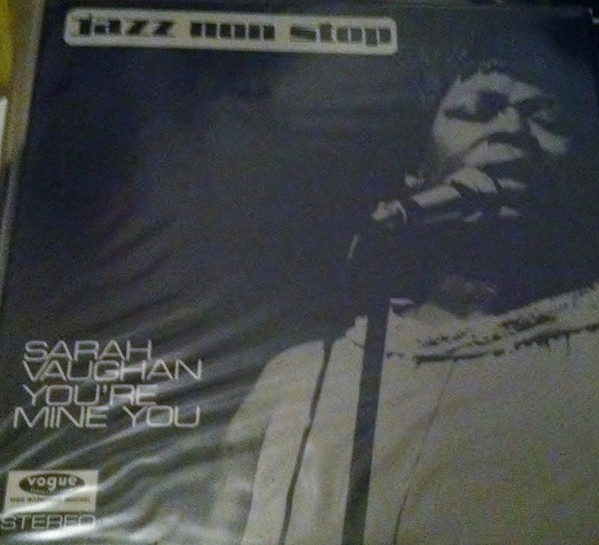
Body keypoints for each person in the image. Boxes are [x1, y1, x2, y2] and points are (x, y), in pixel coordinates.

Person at [207, 59, 599, 545]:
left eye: (546, 117)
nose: (513, 129)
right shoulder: (301, 380)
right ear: (417, 173)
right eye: (479, 109)